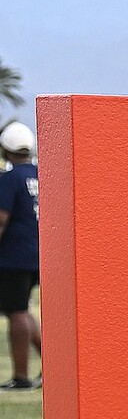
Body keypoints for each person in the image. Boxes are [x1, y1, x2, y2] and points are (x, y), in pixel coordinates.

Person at [0, 122, 40, 391]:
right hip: (35, 253)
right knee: (22, 309)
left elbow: (1, 219)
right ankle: (54, 366)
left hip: (13, 257)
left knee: (16, 312)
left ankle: (21, 377)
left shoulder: (10, 179)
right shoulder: (38, 174)